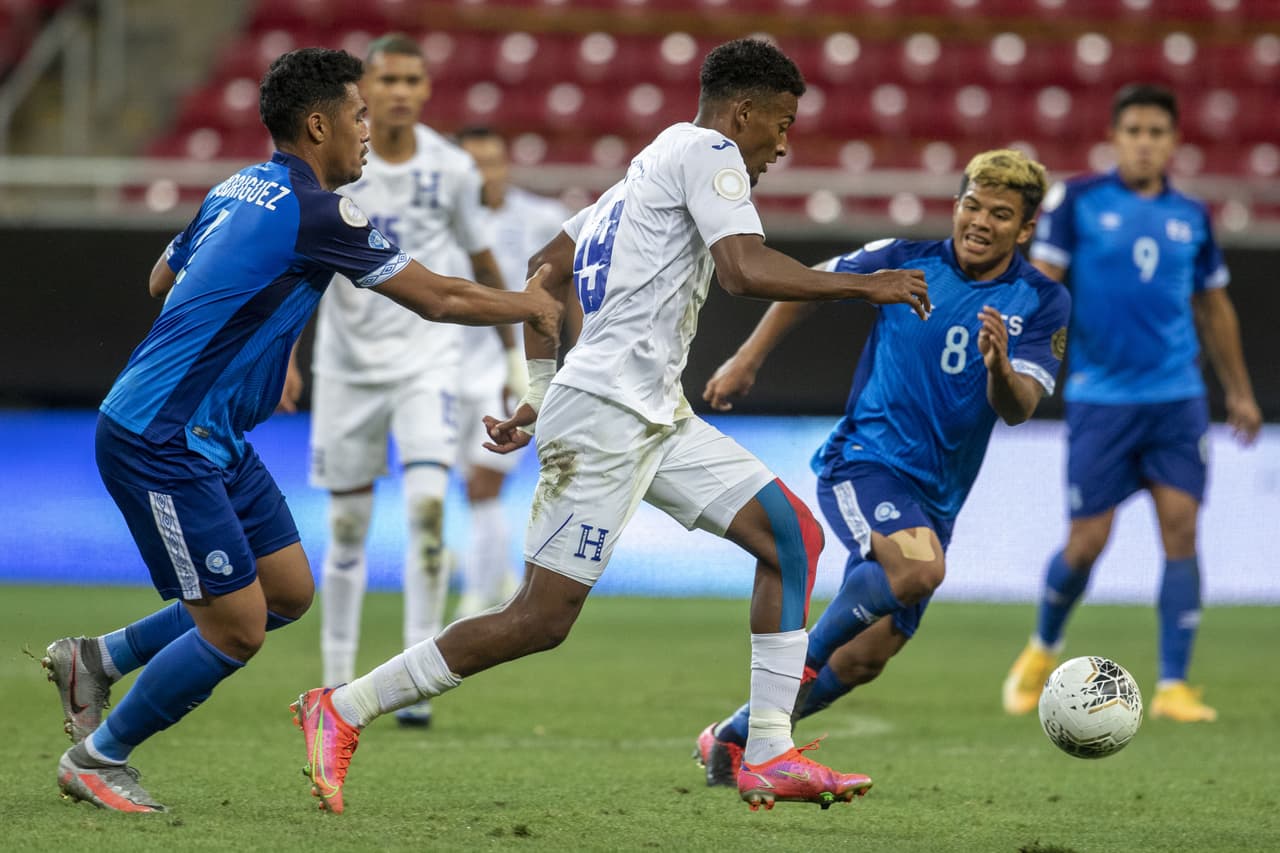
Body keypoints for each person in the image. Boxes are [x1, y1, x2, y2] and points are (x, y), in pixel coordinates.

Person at [290, 37, 932, 815]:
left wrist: (539, 391)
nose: (783, 144)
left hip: (647, 411)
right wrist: (865, 285)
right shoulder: (710, 151)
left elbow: (545, 266)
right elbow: (742, 267)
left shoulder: (648, 166)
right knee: (539, 619)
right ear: (743, 111)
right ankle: (344, 706)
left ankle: (768, 749)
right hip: (608, 416)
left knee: (792, 535)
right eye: (783, 123)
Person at [40, 46, 560, 813]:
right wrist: (532, 305)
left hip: (210, 431)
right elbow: (439, 298)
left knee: (286, 590)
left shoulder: (235, 187)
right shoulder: (321, 210)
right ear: (318, 125)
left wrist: (249, 336)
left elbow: (162, 279)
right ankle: (97, 755)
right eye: (357, 116)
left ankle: (98, 658)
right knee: (238, 628)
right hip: (161, 437)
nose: (366, 132)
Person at [694, 149, 1069, 785]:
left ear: (1025, 229)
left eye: (1000, 214)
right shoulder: (904, 257)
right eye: (971, 205)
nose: (980, 221)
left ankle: (732, 737)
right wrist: (747, 358)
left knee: (866, 658)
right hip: (865, 461)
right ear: (955, 205)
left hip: (939, 496)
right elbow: (808, 285)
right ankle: (770, 721)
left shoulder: (1041, 301)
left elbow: (1019, 408)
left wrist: (1000, 367)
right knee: (919, 567)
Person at [1001, 84, 1261, 723]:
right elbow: (1043, 286)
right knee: (1087, 542)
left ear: (1174, 142)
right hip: (1102, 399)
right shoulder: (1077, 201)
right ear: (1115, 138)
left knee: (1181, 529)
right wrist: (1021, 358)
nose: (1145, 142)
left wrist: (1240, 391)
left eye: (1157, 132)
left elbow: (1213, 304)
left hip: (1177, 399)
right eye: (1135, 131)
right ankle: (1041, 648)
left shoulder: (1192, 216)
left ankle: (1174, 684)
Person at [307, 34, 513, 729]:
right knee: (346, 526)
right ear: (365, 86)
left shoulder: (451, 167)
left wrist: (516, 357)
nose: (399, 91)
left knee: (428, 510)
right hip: (344, 363)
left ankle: (414, 676)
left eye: (412, 80)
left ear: (427, 90)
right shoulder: (336, 161)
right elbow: (300, 257)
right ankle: (336, 677)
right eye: (387, 79)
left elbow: (482, 257)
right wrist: (281, 353)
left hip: (429, 358)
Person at [451, 126, 574, 618]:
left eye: (492, 161)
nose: (485, 173)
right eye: (473, 164)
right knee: (469, 486)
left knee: (485, 481)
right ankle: (496, 575)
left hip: (511, 368)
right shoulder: (442, 223)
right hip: (447, 367)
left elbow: (568, 291)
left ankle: (478, 599)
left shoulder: (542, 219)